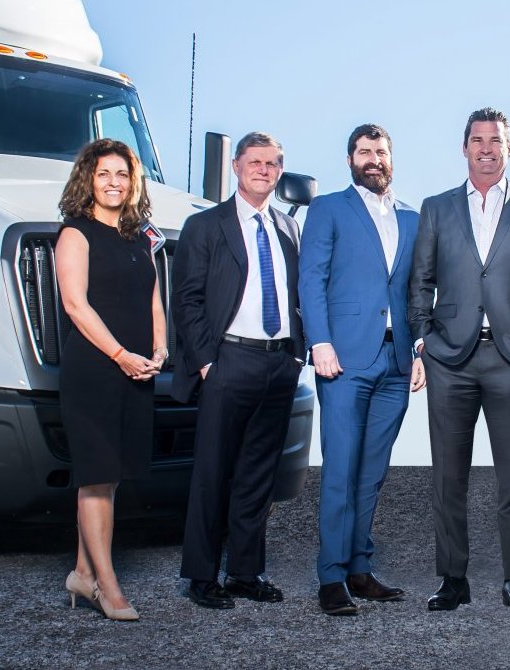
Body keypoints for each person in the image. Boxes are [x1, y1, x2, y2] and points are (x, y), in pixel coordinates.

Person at [408, 107, 510, 616]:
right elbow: (419, 283)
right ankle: (453, 579)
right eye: (478, 139)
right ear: (465, 147)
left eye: (496, 140)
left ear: (509, 148)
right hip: (450, 358)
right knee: (448, 475)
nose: (487, 147)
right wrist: (422, 341)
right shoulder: (437, 208)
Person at [169, 132, 304, 610]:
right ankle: (202, 577)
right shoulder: (205, 226)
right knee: (213, 472)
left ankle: (245, 572)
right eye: (255, 162)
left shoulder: (288, 228)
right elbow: (186, 300)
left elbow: (299, 295)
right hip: (228, 361)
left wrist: (297, 355)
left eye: (271, 163)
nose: (263, 170)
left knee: (257, 476)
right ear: (236, 166)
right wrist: (207, 362)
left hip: (278, 363)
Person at [298, 124, 418, 616]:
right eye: (364, 152)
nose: (374, 159)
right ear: (350, 159)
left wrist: (422, 349)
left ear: (392, 158)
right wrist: (319, 342)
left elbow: (417, 290)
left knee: (372, 472)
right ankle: (331, 576)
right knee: (341, 469)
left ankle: (359, 568)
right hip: (343, 358)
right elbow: (312, 276)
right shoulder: (328, 208)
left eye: (381, 151)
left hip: (396, 361)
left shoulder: (412, 217)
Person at [52, 138, 162, 622]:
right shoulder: (75, 234)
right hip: (95, 369)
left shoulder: (141, 238)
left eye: (121, 174)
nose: (113, 182)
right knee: (95, 477)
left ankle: (81, 572)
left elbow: (154, 299)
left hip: (137, 369)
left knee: (108, 478)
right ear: (88, 181)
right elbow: (76, 305)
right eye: (103, 174)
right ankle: (107, 587)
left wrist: (160, 350)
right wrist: (120, 354)